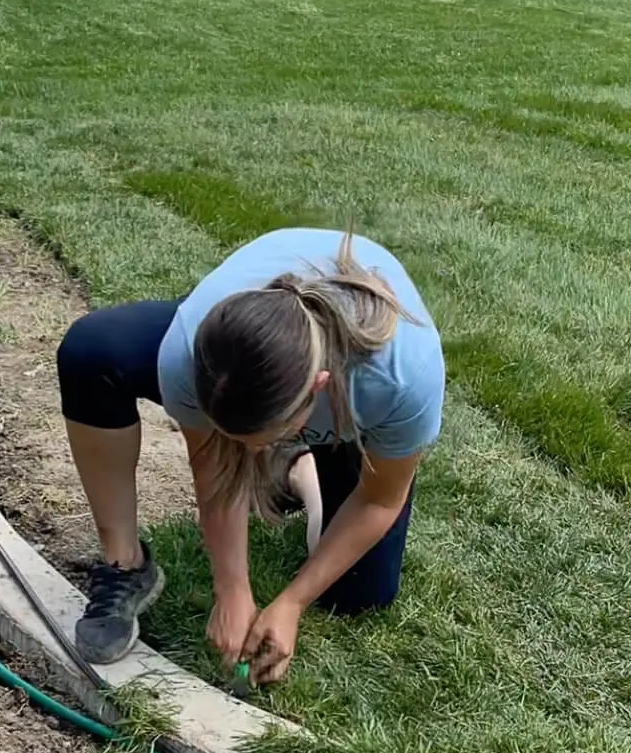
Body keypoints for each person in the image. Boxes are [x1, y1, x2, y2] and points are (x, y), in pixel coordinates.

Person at [55, 228, 445, 685]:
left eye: (262, 439)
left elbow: (379, 500)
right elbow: (212, 464)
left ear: (317, 390)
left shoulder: (399, 381)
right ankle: (126, 563)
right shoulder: (193, 356)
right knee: (91, 353)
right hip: (253, 343)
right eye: (237, 439)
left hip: (349, 399)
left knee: (358, 594)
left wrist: (292, 603)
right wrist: (231, 587)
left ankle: (304, 475)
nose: (249, 455)